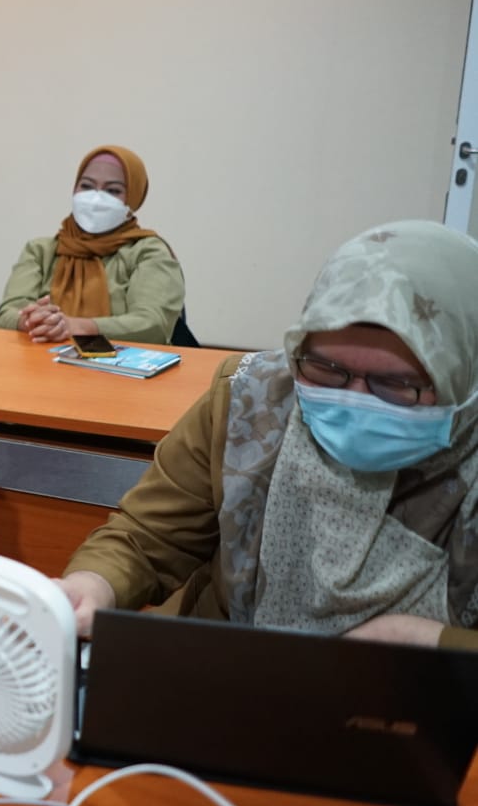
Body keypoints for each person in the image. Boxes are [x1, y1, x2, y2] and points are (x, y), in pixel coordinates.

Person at [58, 220, 478, 651]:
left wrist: (434, 642)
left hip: (426, 689)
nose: (353, 399)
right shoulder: (252, 398)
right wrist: (96, 583)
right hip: (225, 659)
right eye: (326, 368)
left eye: (396, 384)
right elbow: (150, 535)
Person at [0, 145, 183, 345]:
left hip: (123, 363)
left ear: (133, 199)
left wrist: (76, 327)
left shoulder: (148, 252)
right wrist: (32, 321)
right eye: (86, 186)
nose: (96, 197)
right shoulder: (41, 250)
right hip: (41, 359)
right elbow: (7, 313)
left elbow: (153, 325)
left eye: (113, 190)